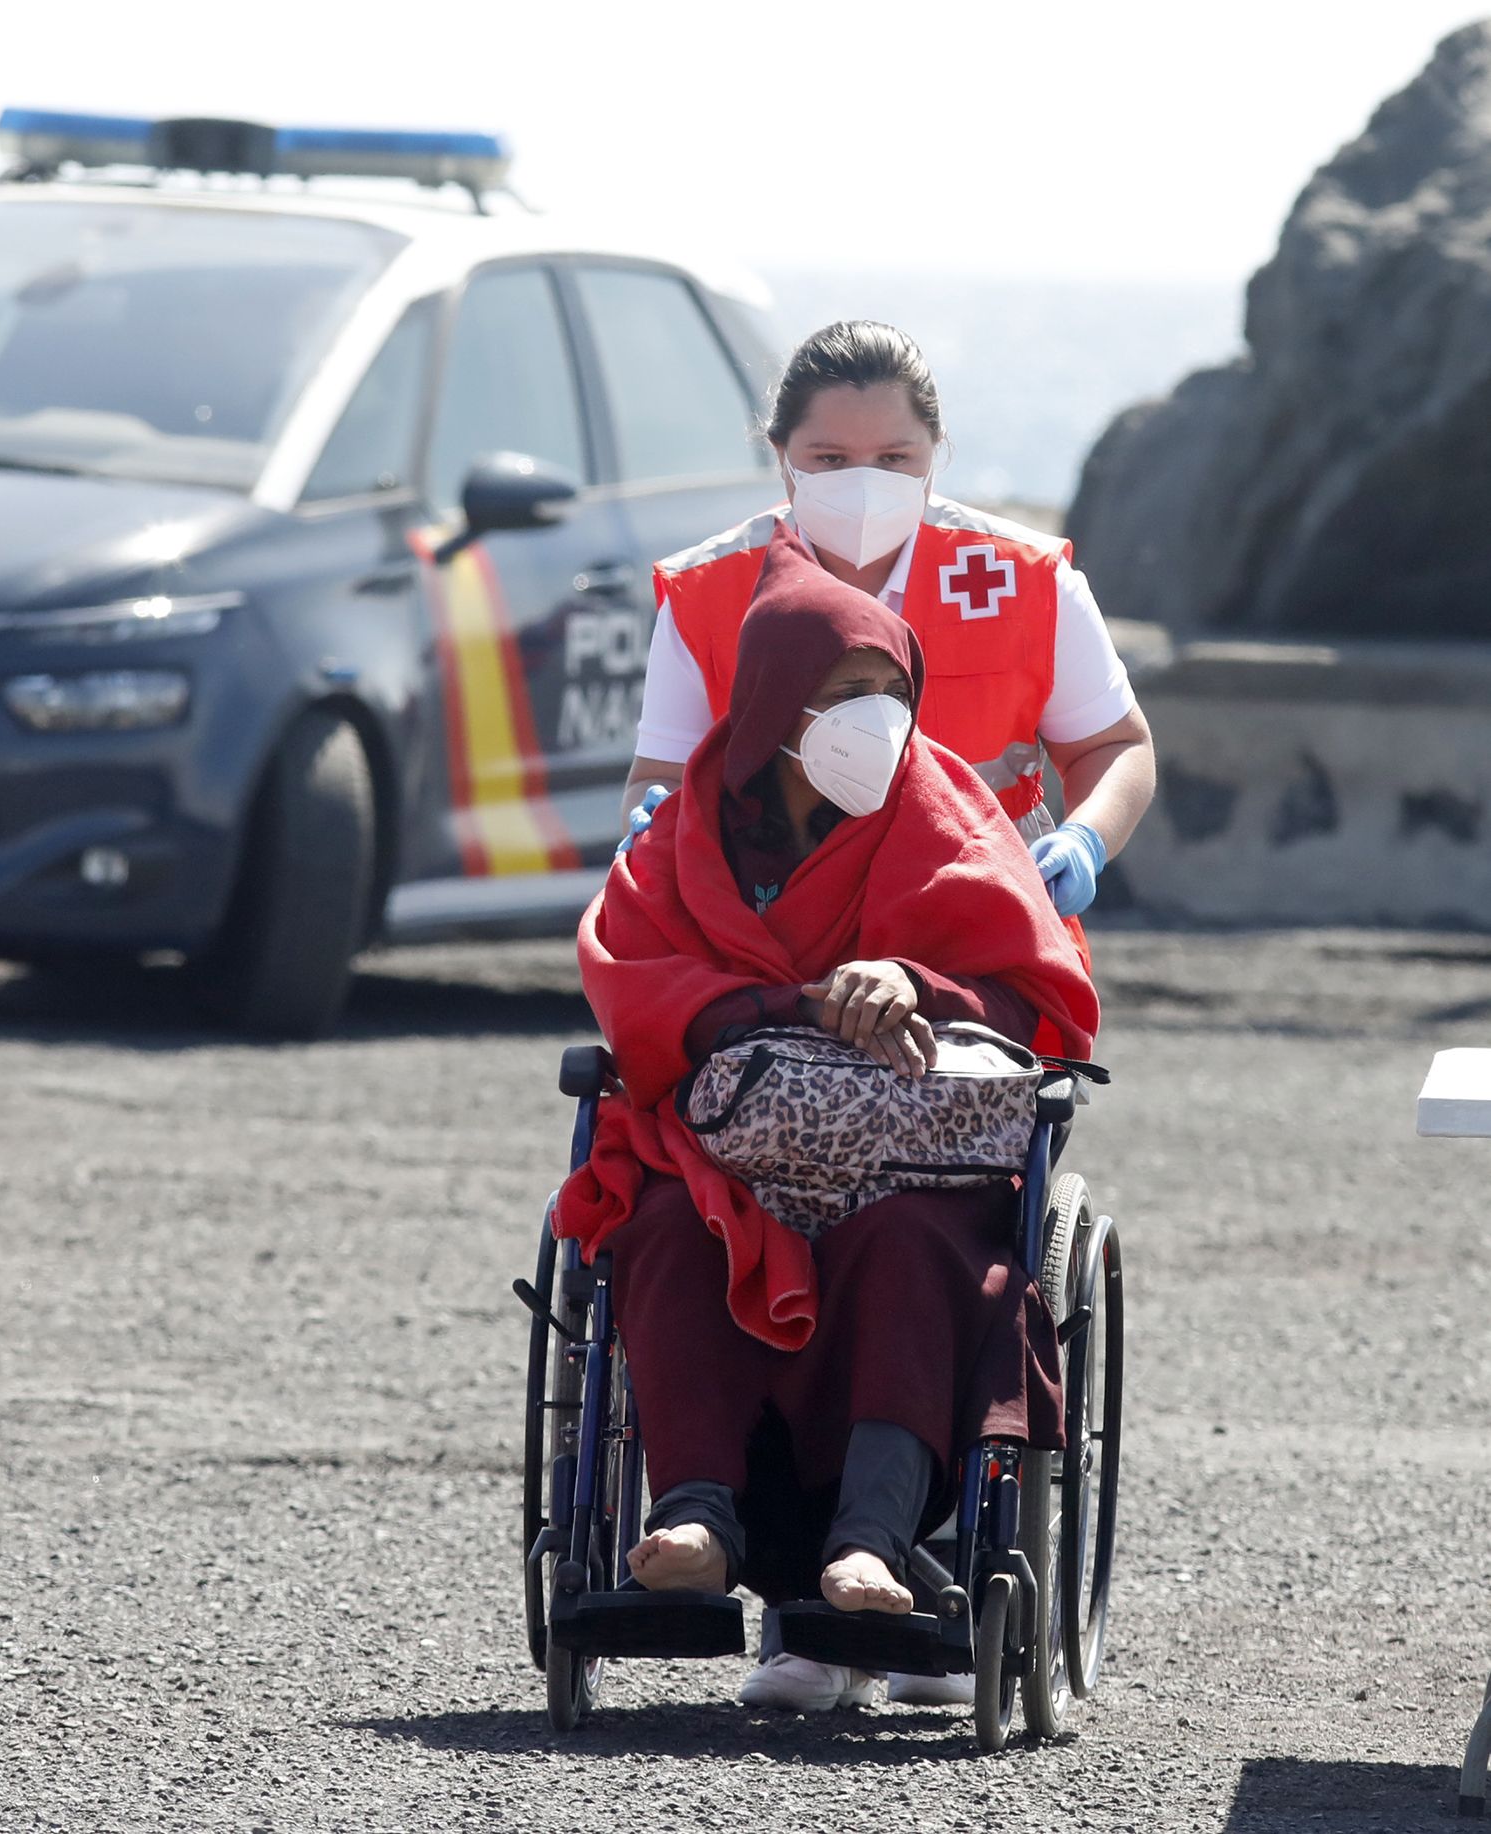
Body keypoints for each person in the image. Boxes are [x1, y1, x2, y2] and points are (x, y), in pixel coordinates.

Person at [559, 527, 1098, 1713]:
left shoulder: (943, 809)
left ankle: (870, 1536)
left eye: (890, 691)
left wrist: (917, 984)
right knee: (658, 1230)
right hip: (730, 1159)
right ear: (768, 704)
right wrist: (781, 1006)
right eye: (843, 693)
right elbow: (627, 976)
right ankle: (694, 1514)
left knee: (911, 1245)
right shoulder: (685, 834)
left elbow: (1039, 996)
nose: (877, 717)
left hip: (904, 1168)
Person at [622, 321, 1154, 927]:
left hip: (992, 927)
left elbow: (1114, 745)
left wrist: (1086, 839)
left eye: (894, 458)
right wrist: (653, 828)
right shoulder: (706, 594)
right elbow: (661, 776)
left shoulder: (1023, 581)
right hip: (777, 940)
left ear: (937, 451)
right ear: (781, 456)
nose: (865, 483)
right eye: (831, 459)